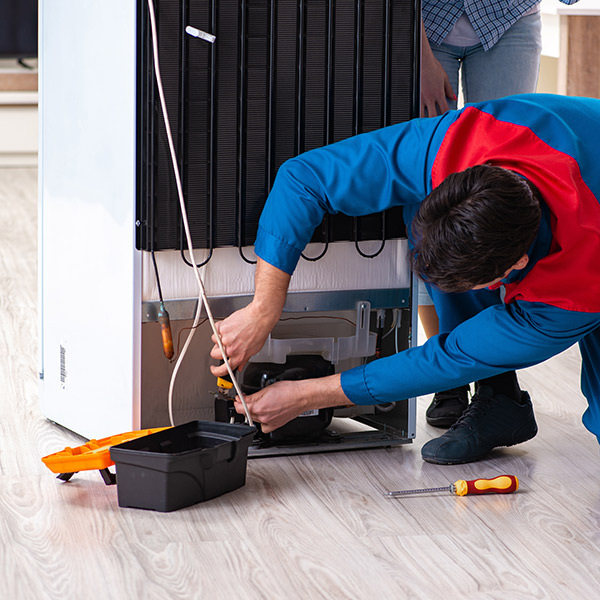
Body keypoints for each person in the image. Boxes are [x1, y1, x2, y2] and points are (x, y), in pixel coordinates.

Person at [210, 93, 600, 465]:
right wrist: (264, 308)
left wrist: (305, 395)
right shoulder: (462, 142)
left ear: (517, 263)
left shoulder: (575, 292)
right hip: (564, 138)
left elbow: (450, 358)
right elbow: (305, 178)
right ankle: (500, 400)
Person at [419, 0, 579, 429]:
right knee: (434, 194)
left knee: (504, 189)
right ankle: (447, 370)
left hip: (508, 20)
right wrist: (414, 52)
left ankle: (493, 376)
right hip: (425, 25)